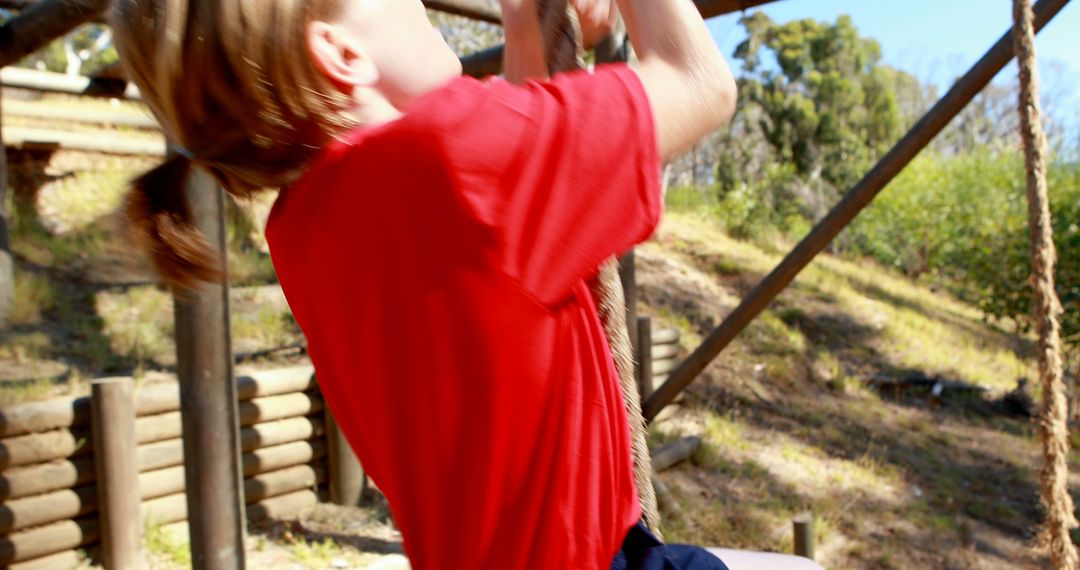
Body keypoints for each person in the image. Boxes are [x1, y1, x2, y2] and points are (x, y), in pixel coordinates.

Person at [110, 0, 736, 568]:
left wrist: (525, 24)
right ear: (341, 55)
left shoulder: (303, 228)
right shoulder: (454, 161)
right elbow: (699, 83)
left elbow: (507, 242)